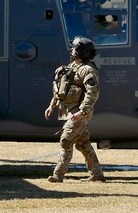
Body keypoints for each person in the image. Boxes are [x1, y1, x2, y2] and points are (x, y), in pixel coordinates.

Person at [44, 36, 105, 183]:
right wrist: (52, 105)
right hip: (70, 111)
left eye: (75, 48)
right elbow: (62, 90)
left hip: (79, 113)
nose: (71, 50)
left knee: (66, 140)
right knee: (82, 143)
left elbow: (93, 93)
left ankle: (58, 175)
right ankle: (97, 174)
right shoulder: (71, 67)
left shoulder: (87, 70)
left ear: (82, 52)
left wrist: (82, 111)